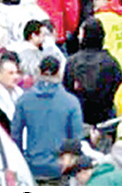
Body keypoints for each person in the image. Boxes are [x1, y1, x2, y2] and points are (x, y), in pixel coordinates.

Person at [10, 55, 83, 183]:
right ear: (59, 73)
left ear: (39, 71)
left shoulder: (24, 100)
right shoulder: (71, 102)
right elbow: (76, 139)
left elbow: (16, 136)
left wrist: (22, 163)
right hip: (60, 169)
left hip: (32, 167)